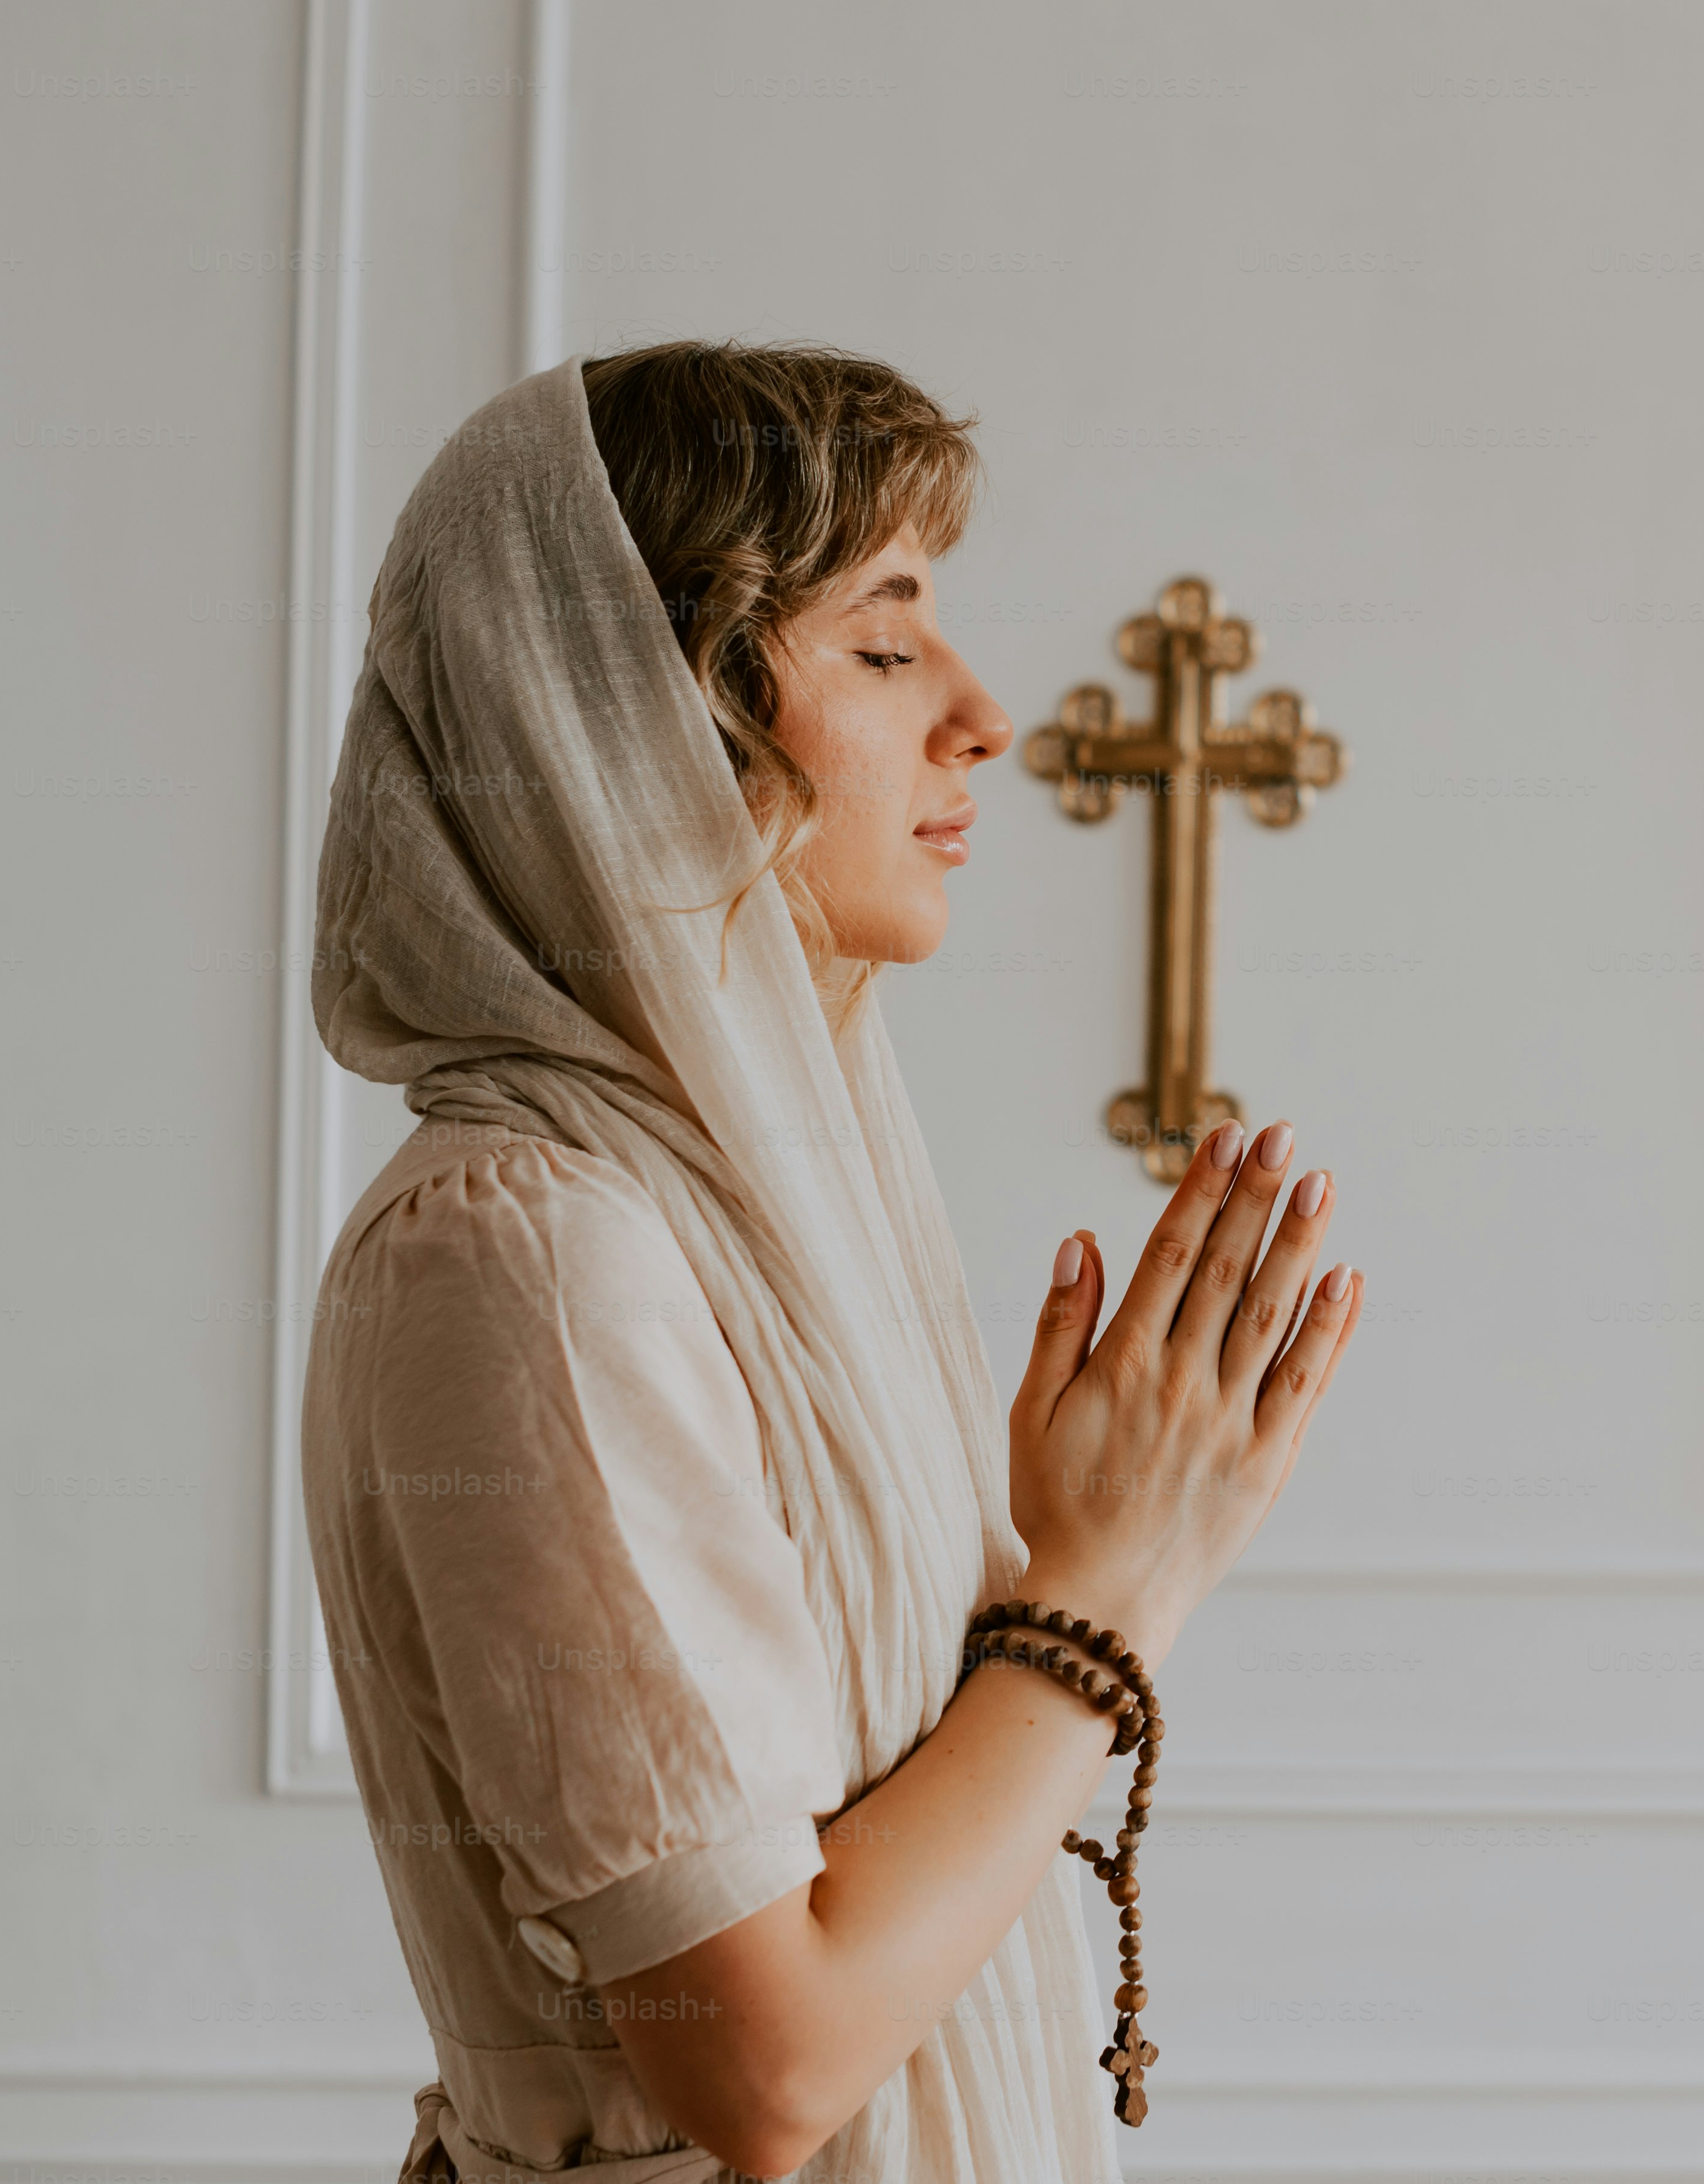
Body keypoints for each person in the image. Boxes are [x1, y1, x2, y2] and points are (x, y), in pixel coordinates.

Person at [298, 341, 1363, 2182]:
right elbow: (768, 2064)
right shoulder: (531, 1251)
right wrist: (1104, 1597)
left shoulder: (736, 1213)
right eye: (882, 645)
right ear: (624, 719)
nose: (980, 716)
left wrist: (1043, 1562)